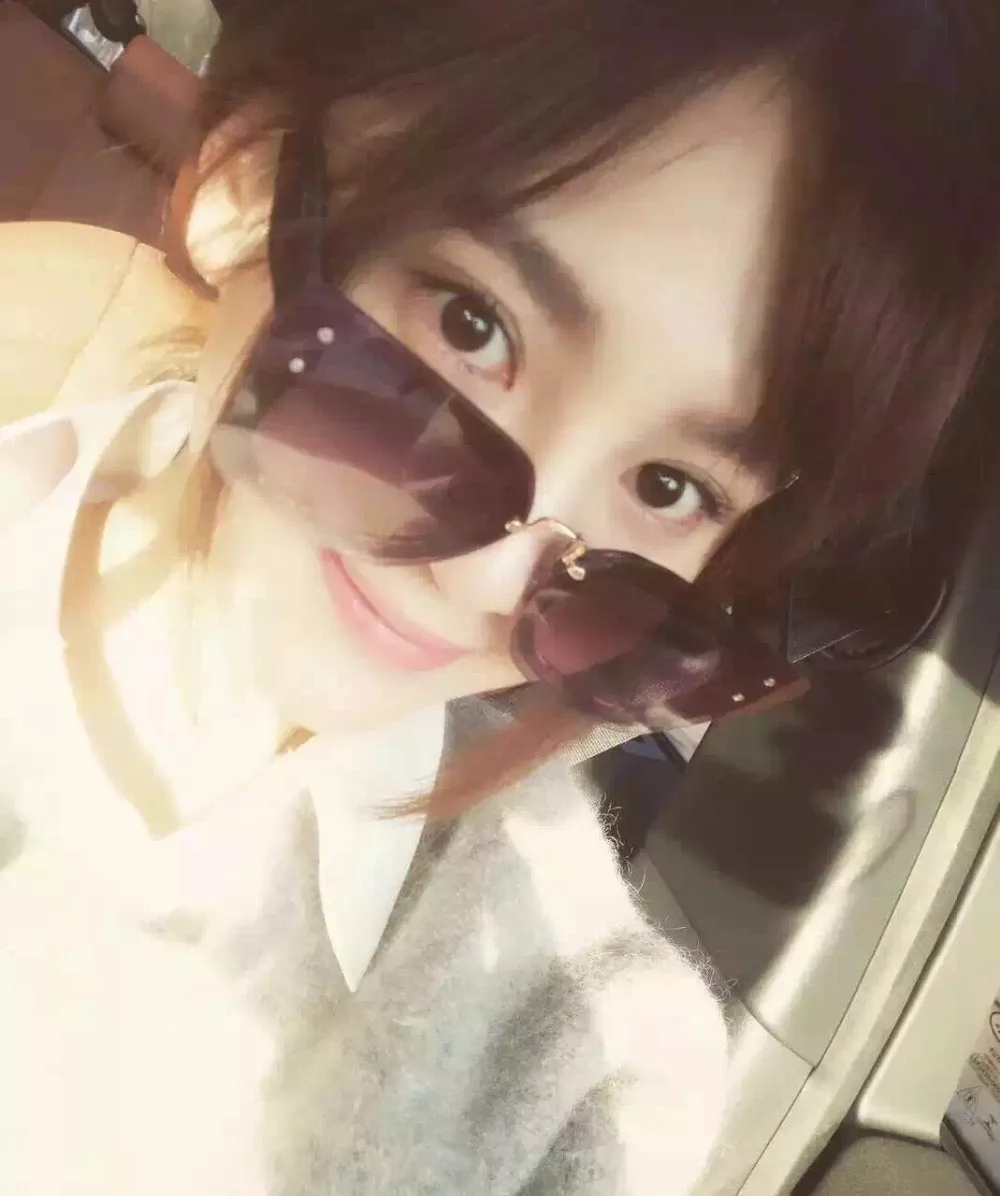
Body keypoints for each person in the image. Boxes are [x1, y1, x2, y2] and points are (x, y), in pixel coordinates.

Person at [2, 2, 999, 1193]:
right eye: (471, 322)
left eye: (668, 487)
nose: (486, 580)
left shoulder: (586, 1070)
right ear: (251, 187)